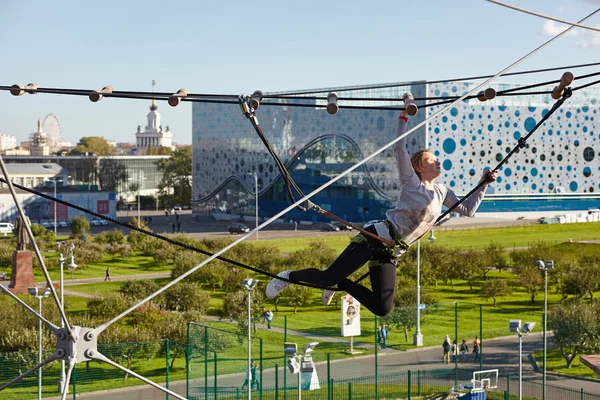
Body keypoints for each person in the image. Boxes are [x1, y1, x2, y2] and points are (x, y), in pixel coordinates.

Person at [265, 104, 498, 316]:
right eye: (431, 159)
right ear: (418, 166)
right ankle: (287, 277)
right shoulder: (411, 182)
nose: (438, 162)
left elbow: (467, 209)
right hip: (375, 238)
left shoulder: (442, 191)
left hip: (392, 252)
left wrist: (482, 184)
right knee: (328, 277)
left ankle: (341, 284)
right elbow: (399, 149)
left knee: (382, 307)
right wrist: (403, 117)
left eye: (437, 159)